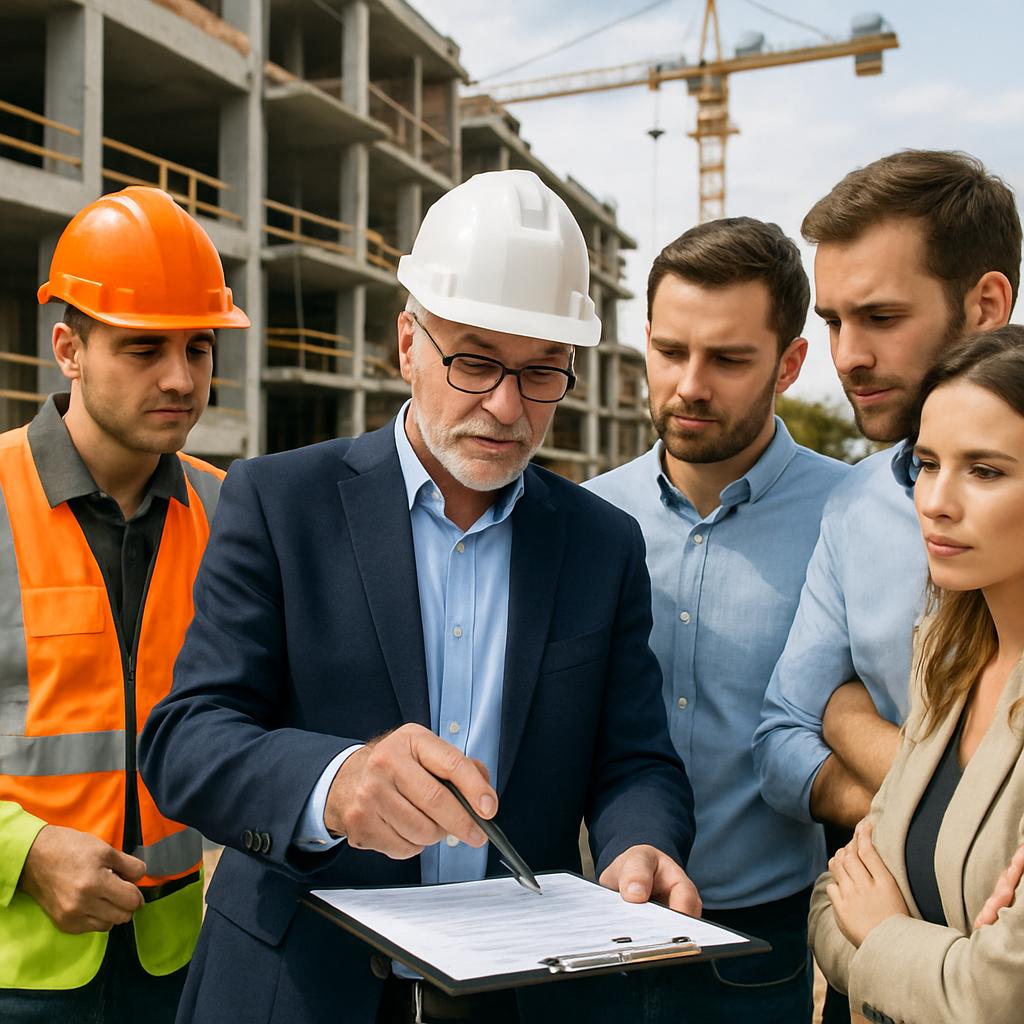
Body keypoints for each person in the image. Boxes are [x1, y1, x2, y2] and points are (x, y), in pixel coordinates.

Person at [139, 169, 698, 1024]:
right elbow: (187, 741)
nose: (507, 406)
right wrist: (332, 785)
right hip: (297, 990)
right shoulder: (278, 502)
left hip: (519, 994)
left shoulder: (600, 543)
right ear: (409, 343)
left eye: (542, 372)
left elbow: (636, 760)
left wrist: (640, 846)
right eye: (474, 362)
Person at [586, 218, 848, 1023]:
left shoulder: (853, 518)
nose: (689, 384)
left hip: (756, 945)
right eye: (670, 352)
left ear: (790, 363)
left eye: (729, 359)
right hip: (595, 925)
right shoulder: (588, 518)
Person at [0, 186, 248, 1021]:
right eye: (144, 349)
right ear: (68, 349)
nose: (181, 379)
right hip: (15, 967)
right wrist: (24, 853)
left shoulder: (228, 516)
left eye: (199, 348)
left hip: (175, 963)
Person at [754, 150, 1019, 831]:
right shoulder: (855, 504)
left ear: (986, 303)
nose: (847, 357)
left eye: (881, 317)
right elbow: (783, 742)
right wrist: (927, 835)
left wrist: (849, 720)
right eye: (835, 321)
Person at [809, 323, 1024, 1024]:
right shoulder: (947, 657)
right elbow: (826, 906)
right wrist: (943, 960)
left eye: (985, 471)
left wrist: (884, 930)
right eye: (928, 463)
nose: (935, 500)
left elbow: (996, 997)